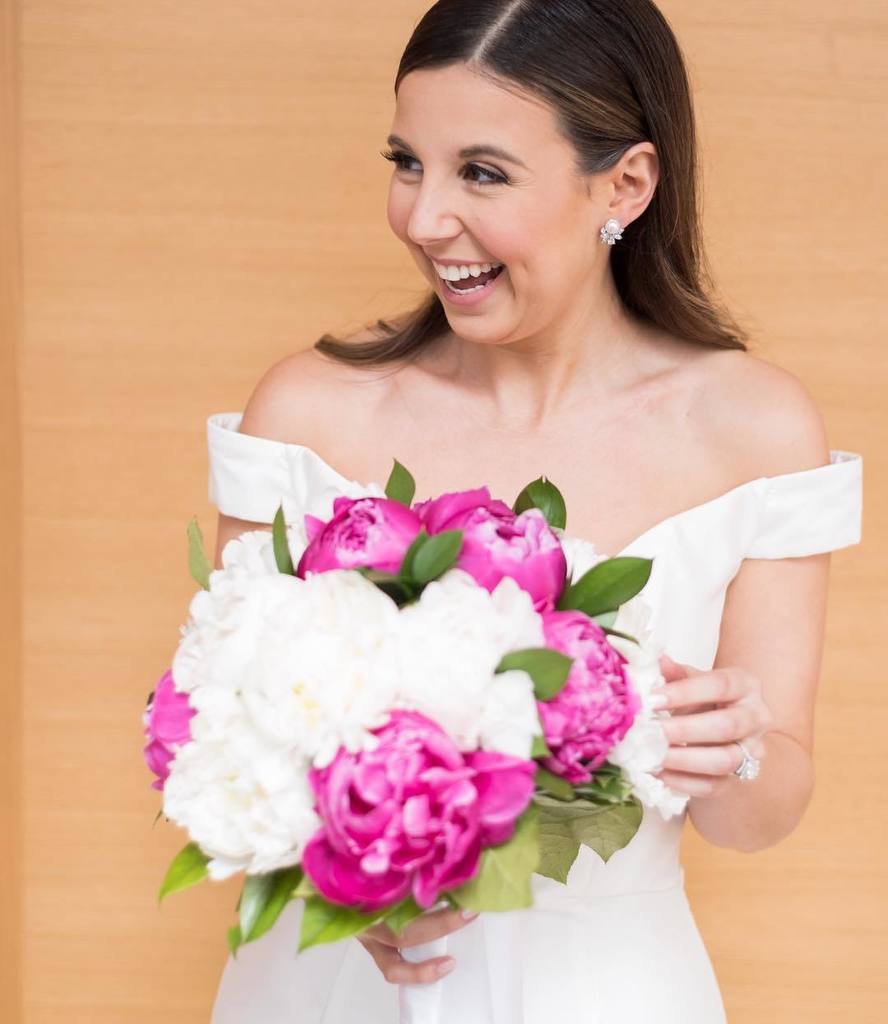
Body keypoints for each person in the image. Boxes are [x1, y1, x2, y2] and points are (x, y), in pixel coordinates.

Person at [205, 1, 863, 1020]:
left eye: (481, 172)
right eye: (407, 161)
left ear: (626, 184)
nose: (424, 218)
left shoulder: (756, 429)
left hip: (612, 984)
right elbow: (221, 738)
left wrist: (731, 747)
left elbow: (765, 809)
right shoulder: (309, 413)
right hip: (338, 984)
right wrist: (344, 877)